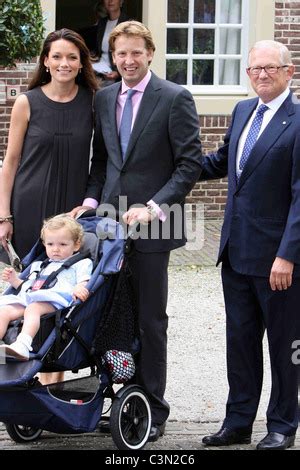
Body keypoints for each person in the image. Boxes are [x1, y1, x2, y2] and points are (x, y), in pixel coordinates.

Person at [70, 21, 202, 441]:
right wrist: (89, 203)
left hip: (153, 228)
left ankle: (154, 409)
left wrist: (154, 205)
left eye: (135, 53)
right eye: (121, 53)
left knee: (149, 319)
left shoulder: (175, 97)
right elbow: (103, 162)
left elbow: (189, 165)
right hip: (107, 224)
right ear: (114, 56)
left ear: (150, 53)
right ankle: (119, 396)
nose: (128, 60)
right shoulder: (104, 97)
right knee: (109, 315)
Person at [200, 40, 300, 450]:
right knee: (239, 344)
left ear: (288, 72)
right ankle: (238, 422)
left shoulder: (297, 121)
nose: (261, 74)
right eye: (254, 68)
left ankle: (282, 426)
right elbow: (221, 161)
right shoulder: (243, 111)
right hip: (236, 254)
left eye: (270, 68)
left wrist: (288, 255)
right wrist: (176, 167)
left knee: (283, 346)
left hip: (278, 261)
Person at [0, 28, 97, 381]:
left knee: (60, 296)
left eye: (72, 57)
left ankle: (50, 381)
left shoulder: (92, 101)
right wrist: (3, 215)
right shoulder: (27, 102)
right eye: (56, 56)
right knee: (27, 290)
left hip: (70, 214)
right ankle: (21, 379)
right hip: (28, 208)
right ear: (45, 61)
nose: (64, 63)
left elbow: (101, 158)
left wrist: (90, 202)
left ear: (81, 62)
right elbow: (10, 162)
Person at [0, 214, 93, 361]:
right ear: (44, 244)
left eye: (62, 244)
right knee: (4, 311)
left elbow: (84, 280)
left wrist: (79, 287)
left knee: (33, 308)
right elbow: (28, 287)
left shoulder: (81, 263)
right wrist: (14, 280)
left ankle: (23, 345)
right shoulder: (39, 265)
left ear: (76, 245)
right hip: (31, 298)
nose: (55, 249)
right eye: (50, 245)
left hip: (56, 300)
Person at [90, 0, 130, 87]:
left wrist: (118, 73)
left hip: (115, 74)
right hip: (99, 70)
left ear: (121, 2)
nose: (110, 1)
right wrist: (92, 60)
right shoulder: (102, 23)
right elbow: (97, 49)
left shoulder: (129, 23)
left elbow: (130, 52)